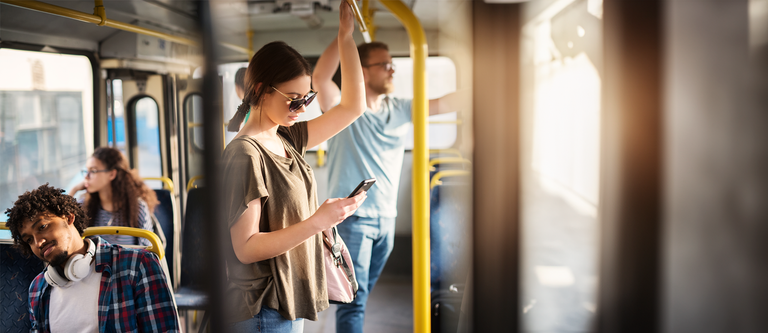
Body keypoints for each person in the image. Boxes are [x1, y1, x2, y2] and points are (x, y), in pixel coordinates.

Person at [221, 2, 367, 331]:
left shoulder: (289, 137)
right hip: (263, 307)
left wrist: (346, 36)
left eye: (307, 99)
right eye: (293, 98)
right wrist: (318, 221)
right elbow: (246, 248)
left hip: (290, 297)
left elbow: (353, 106)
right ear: (259, 90)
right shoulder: (245, 154)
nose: (301, 108)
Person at [312, 38, 460, 332]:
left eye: (392, 64)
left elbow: (445, 103)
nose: (392, 70)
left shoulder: (401, 108)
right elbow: (320, 78)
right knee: (353, 301)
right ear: (363, 71)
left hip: (386, 220)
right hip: (353, 222)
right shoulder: (344, 108)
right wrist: (345, 36)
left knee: (361, 295)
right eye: (385, 65)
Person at [4, 184, 180, 332]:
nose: (38, 242)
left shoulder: (138, 266)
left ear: (69, 217)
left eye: (42, 226)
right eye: (29, 240)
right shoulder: (38, 288)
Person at [69, 147, 158, 247]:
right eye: (86, 171)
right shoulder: (85, 205)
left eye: (93, 171)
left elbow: (148, 250)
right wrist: (74, 190)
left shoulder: (137, 207)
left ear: (112, 174)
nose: (86, 176)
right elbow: (66, 232)